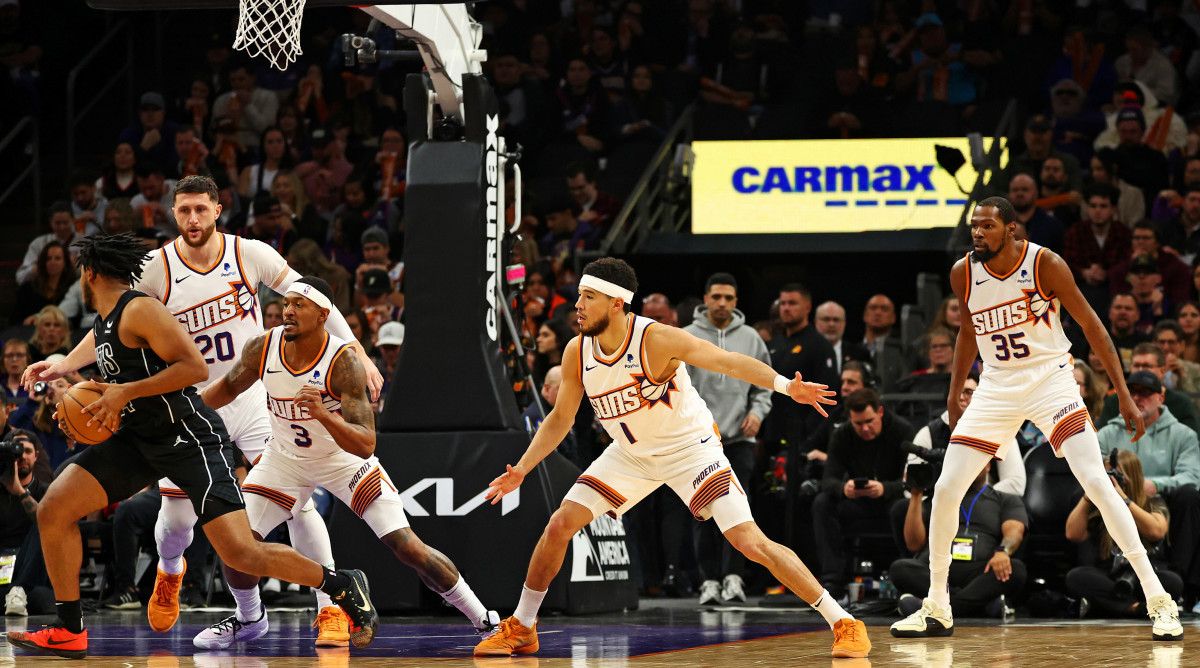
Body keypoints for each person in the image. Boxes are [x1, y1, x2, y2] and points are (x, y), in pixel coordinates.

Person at [474, 258, 870, 659]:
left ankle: (844, 622)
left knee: (749, 542)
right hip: (630, 455)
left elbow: (727, 361)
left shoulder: (656, 338)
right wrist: (522, 469)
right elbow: (560, 418)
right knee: (560, 523)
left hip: (690, 451)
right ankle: (523, 626)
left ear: (616, 303)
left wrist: (786, 387)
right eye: (579, 295)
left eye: (588, 297)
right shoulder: (577, 350)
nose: (578, 304)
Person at [8, 234, 377, 659]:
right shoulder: (105, 322)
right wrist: (85, 405)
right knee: (55, 507)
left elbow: (193, 368)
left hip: (188, 437)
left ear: (89, 274)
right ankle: (69, 628)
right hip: (137, 439)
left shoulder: (140, 309)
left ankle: (340, 583)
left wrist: (122, 393)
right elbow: (110, 387)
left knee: (241, 551)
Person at [890, 196, 1183, 641]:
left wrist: (1122, 393)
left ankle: (1160, 600)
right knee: (947, 486)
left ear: (1011, 229)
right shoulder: (962, 272)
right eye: (974, 226)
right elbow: (969, 331)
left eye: (987, 226)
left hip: (1051, 380)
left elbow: (1092, 326)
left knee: (1096, 482)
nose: (977, 234)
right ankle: (937, 605)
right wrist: (954, 393)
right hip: (995, 387)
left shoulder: (1044, 264)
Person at [125, 174, 382, 648]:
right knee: (178, 524)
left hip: (253, 395)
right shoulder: (155, 268)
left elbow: (314, 296)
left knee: (298, 506)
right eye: (183, 210)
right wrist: (66, 362)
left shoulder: (249, 254)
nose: (193, 218)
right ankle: (171, 572)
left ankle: (330, 609)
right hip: (194, 400)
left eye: (201, 209)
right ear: (173, 213)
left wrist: (358, 352)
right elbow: (111, 319)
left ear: (218, 209)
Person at [200, 276, 500, 642]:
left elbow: (366, 444)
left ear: (323, 314)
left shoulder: (343, 362)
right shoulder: (263, 347)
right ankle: (249, 619)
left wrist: (324, 414)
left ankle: (486, 620)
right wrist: (178, 413)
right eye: (287, 303)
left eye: (299, 305)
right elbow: (225, 389)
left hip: (342, 461)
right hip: (284, 460)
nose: (288, 311)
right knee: (238, 548)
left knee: (407, 546)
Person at [684, 272, 772, 605]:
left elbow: (765, 381)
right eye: (716, 296)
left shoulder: (750, 337)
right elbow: (676, 387)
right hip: (699, 440)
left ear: (736, 302)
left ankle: (734, 578)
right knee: (702, 509)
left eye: (729, 298)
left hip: (739, 437)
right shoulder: (686, 336)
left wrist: (758, 413)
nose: (722, 303)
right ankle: (709, 580)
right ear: (705, 298)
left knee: (739, 511)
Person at [1095, 370, 1200, 614]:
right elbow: (1093, 470)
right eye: (1132, 392)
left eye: (1145, 393)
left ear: (1161, 398)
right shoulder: (1108, 432)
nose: (1137, 397)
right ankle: (1099, 571)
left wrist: (1154, 485)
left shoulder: (1183, 435)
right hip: (1116, 499)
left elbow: (1192, 476)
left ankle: (1182, 585)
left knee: (1189, 496)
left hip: (1159, 501)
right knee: (1082, 496)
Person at [891, 460, 1028, 618]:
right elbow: (914, 544)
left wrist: (1003, 551)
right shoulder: (937, 498)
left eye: (977, 460)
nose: (971, 464)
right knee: (900, 569)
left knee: (1015, 570)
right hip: (938, 569)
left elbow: (1015, 530)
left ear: (988, 466)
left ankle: (931, 608)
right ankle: (979, 606)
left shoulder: (1005, 499)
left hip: (980, 571)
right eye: (966, 461)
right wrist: (916, 495)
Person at [813, 388, 914, 593]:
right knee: (822, 503)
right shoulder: (842, 434)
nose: (865, 428)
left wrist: (885, 488)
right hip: (858, 502)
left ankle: (910, 575)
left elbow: (912, 481)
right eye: (858, 424)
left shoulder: (902, 430)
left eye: (870, 421)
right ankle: (832, 580)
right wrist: (844, 488)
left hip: (892, 501)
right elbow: (828, 480)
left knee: (905, 507)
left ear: (881, 413)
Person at [1066, 448, 1184, 617]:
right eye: (1107, 475)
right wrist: (1089, 494)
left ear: (1131, 477)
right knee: (1076, 577)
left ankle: (1112, 607)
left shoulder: (1153, 502)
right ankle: (1136, 608)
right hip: (1109, 577)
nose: (1111, 481)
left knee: (1173, 582)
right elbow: (1072, 534)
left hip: (1142, 577)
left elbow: (1156, 532)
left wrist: (1123, 500)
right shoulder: (1099, 503)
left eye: (1116, 476)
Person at [1, 430, 53, 618]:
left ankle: (19, 589)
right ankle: (15, 593)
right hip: (2, 568)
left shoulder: (48, 490)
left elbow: (50, 526)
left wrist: (19, 491)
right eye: (16, 453)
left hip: (32, 572)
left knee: (46, 520)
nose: (22, 456)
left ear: (36, 455)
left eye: (27, 451)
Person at [1098, 343, 1200, 436]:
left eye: (1147, 366)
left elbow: (1192, 442)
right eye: (1136, 365)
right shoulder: (1115, 401)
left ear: (1163, 370)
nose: (1140, 371)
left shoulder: (1181, 403)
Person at [16, 203, 83, 285]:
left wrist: (73, 268)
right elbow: (21, 277)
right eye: (57, 223)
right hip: (45, 288)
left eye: (65, 223)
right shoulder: (39, 243)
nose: (62, 227)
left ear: (73, 220)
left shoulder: (85, 243)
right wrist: (42, 267)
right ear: (50, 222)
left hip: (75, 288)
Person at [14, 241, 74, 325]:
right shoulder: (27, 289)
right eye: (48, 258)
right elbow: (15, 319)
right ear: (43, 262)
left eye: (57, 258)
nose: (52, 262)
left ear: (65, 263)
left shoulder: (72, 288)